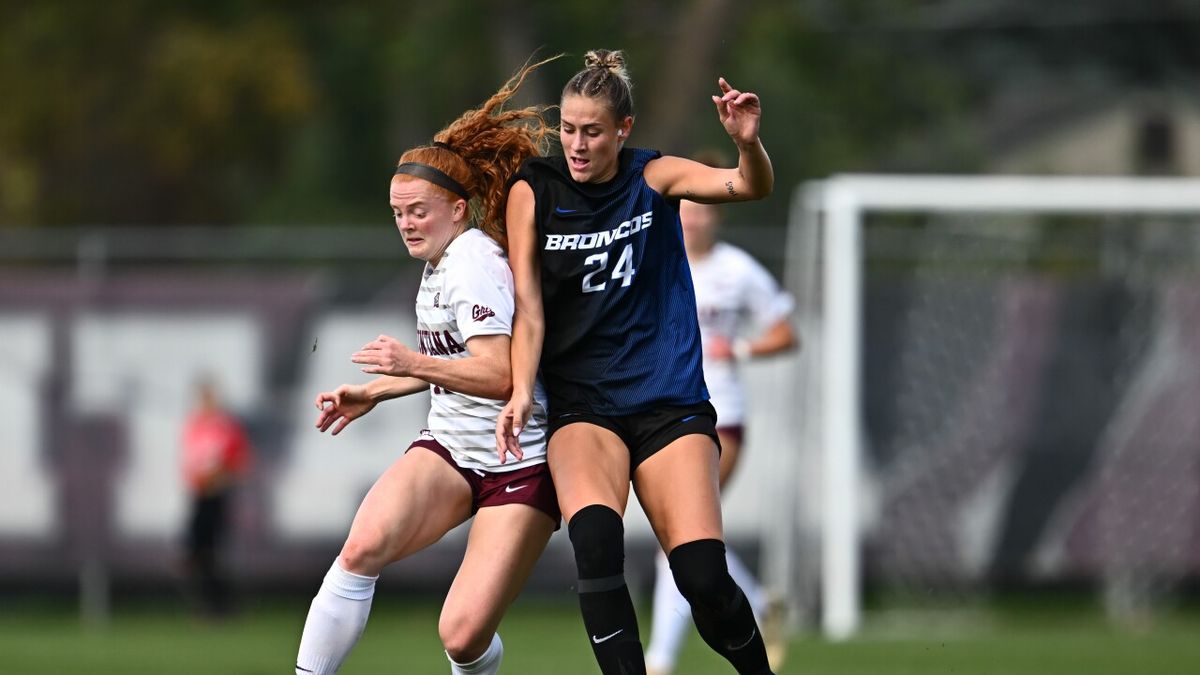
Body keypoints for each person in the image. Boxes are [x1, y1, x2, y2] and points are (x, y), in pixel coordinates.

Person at [497, 49, 777, 675]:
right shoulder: (533, 190)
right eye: (567, 128)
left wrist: (748, 145)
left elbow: (750, 185)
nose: (576, 143)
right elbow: (529, 308)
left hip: (667, 404)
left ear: (623, 130)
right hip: (584, 407)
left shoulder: (655, 177)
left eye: (592, 131)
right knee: (596, 545)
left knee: (703, 577)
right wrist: (520, 389)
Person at [293, 59, 559, 675]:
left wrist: (410, 361)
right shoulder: (440, 261)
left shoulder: (471, 262)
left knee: (462, 637)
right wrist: (378, 391)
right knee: (360, 548)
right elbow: (449, 361)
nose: (406, 223)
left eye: (418, 210)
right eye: (397, 213)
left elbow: (497, 375)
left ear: (459, 210)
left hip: (516, 463)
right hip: (449, 448)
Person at [644, 186, 798, 675]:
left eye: (703, 210)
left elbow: (785, 331)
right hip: (664, 415)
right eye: (685, 209)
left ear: (718, 216)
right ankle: (759, 600)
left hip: (720, 418)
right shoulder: (651, 260)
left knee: (680, 538)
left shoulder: (736, 270)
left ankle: (660, 660)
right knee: (687, 538)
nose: (692, 219)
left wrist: (743, 350)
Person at [180, 376, 252, 619]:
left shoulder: (225, 427)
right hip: (199, 496)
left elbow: (239, 462)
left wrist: (220, 480)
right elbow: (190, 463)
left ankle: (218, 606)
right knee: (197, 552)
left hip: (217, 497)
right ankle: (210, 604)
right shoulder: (196, 425)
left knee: (211, 552)